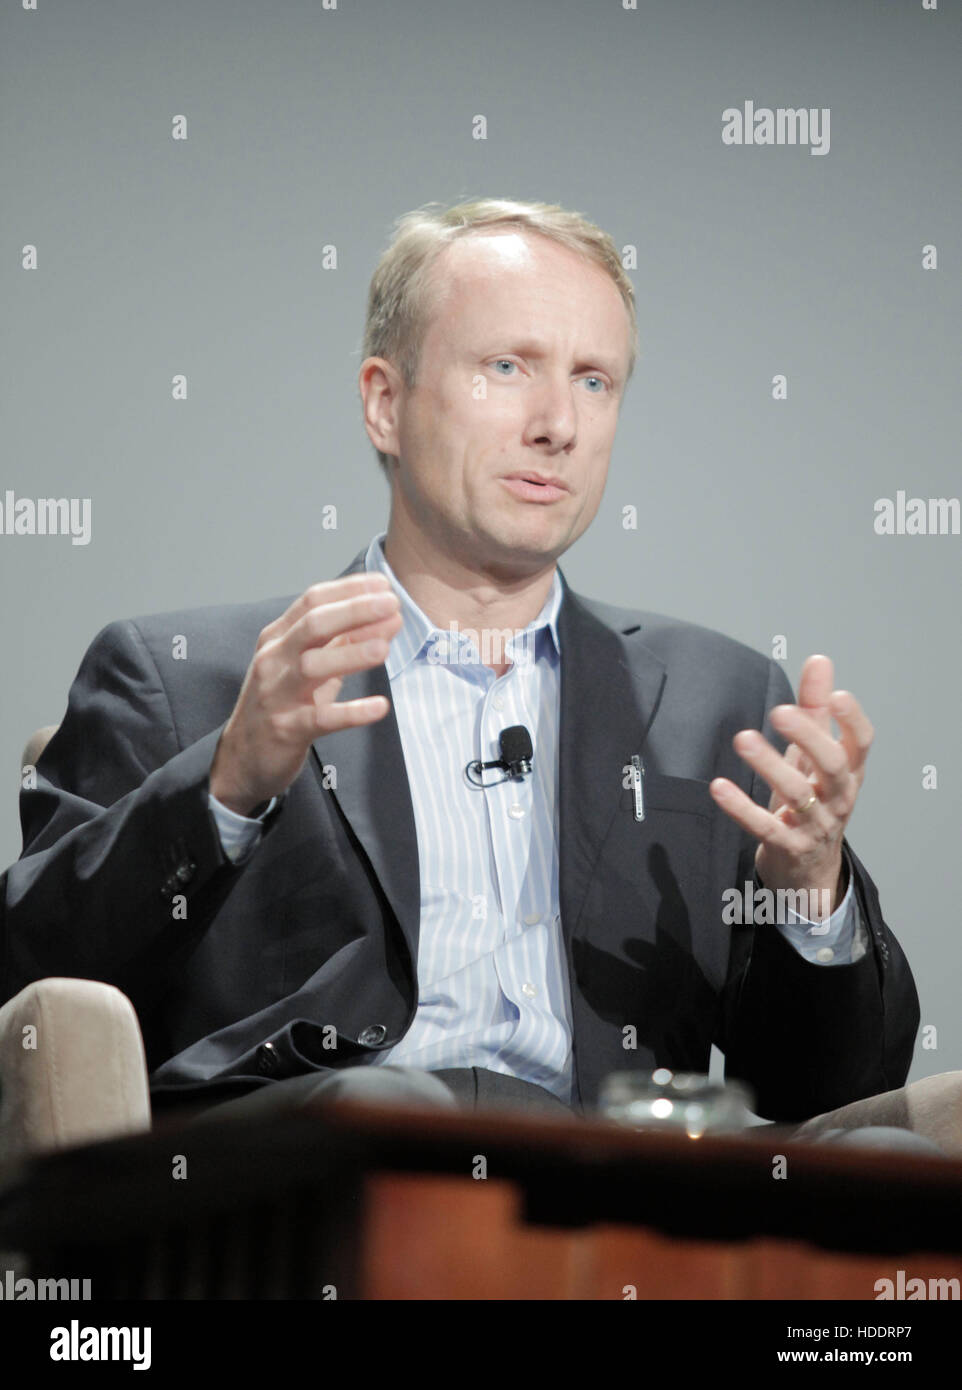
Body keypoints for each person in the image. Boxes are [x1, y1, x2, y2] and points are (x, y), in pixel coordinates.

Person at [1, 198, 918, 1133]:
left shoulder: (719, 701)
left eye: (595, 380)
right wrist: (227, 787)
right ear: (384, 403)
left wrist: (811, 892)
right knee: (388, 1118)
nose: (558, 422)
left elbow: (833, 1089)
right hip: (305, 1179)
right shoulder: (183, 681)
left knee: (900, 1164)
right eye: (508, 367)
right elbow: (32, 992)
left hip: (617, 1191)